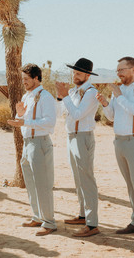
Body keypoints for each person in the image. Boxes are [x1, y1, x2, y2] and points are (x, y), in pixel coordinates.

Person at [8, 63, 57, 236]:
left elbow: (50, 122)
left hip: (40, 143)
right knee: (31, 183)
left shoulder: (46, 97)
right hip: (28, 143)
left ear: (36, 78)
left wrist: (24, 121)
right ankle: (37, 216)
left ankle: (49, 222)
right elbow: (21, 121)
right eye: (23, 79)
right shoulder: (27, 96)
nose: (24, 82)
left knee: (43, 184)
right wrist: (19, 115)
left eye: (26, 79)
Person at [55, 58, 100, 237]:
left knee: (87, 180)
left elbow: (78, 114)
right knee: (78, 178)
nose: (74, 76)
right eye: (74, 72)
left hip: (83, 138)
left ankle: (92, 224)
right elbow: (62, 113)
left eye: (78, 73)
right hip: (71, 137)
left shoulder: (90, 92)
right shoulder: (73, 91)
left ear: (87, 75)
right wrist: (61, 96)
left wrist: (65, 96)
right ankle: (83, 215)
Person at [97, 56, 134, 234]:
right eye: (117, 70)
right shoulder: (117, 91)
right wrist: (105, 103)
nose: (118, 73)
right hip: (118, 141)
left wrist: (119, 97)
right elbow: (111, 116)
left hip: (133, 140)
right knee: (129, 184)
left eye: (122, 69)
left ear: (132, 69)